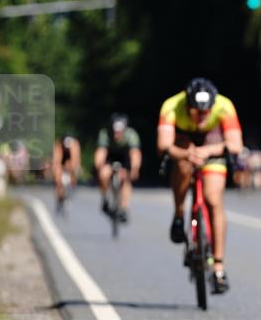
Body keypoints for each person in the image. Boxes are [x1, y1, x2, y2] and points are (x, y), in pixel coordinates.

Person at [157, 78, 243, 294]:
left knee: (213, 199)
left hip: (212, 144)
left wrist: (209, 152)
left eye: (206, 111)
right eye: (197, 111)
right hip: (184, 143)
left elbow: (235, 144)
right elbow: (163, 145)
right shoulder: (171, 106)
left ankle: (219, 267)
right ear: (188, 105)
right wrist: (186, 154)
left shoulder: (224, 106)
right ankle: (178, 214)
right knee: (183, 166)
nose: (202, 116)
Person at [95, 114, 142, 223]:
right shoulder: (105, 134)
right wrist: (100, 167)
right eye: (115, 131)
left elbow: (135, 154)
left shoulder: (131, 135)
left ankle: (124, 209)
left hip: (125, 159)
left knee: (125, 179)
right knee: (104, 174)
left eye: (120, 131)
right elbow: (101, 153)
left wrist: (135, 169)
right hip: (110, 157)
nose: (117, 134)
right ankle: (105, 197)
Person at [52, 134, 81, 213]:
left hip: (70, 160)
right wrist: (57, 171)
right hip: (61, 160)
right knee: (58, 175)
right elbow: (56, 160)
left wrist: (73, 169)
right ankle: (59, 194)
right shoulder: (58, 145)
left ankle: (71, 188)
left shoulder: (75, 145)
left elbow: (75, 160)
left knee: (74, 172)